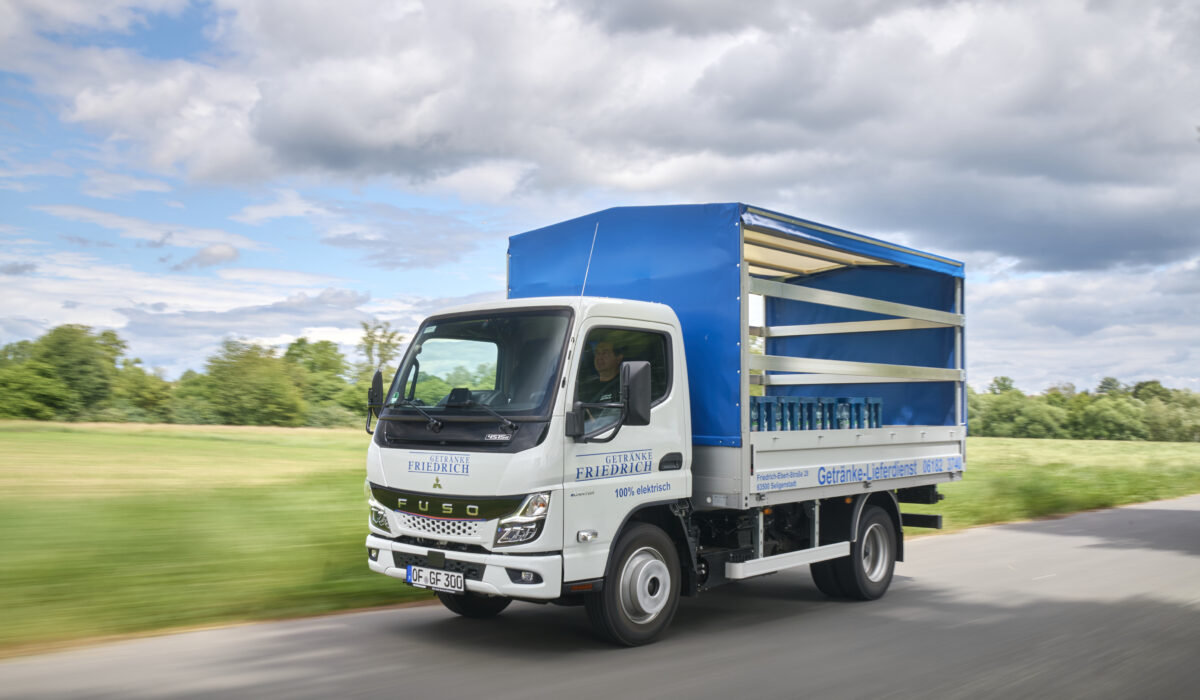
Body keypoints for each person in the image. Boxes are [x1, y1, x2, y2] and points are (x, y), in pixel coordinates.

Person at [578, 338, 624, 432]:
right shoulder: (586, 386)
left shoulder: (623, 385)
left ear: (618, 358)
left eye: (605, 352)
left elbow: (613, 420)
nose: (599, 357)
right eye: (597, 353)